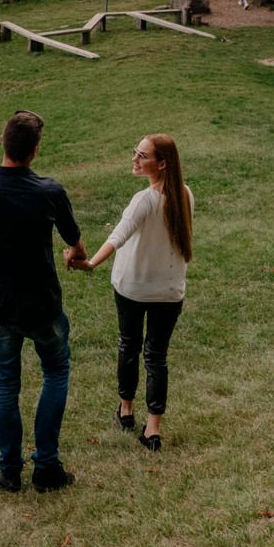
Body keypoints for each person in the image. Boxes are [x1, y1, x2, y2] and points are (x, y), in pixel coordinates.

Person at [0, 110, 86, 492]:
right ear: (35, 151)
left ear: (3, 142)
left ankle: (10, 469)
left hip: (0, 306)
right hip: (43, 304)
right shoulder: (49, 191)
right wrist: (77, 255)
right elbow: (73, 240)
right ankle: (47, 466)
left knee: (6, 384)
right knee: (56, 372)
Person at [73, 134, 193, 452]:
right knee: (156, 357)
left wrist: (90, 264)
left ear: (162, 163)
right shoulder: (185, 194)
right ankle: (152, 430)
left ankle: (125, 409)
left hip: (133, 289)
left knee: (129, 345)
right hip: (170, 291)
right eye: (135, 153)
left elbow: (119, 234)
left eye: (142, 155)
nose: (135, 159)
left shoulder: (145, 199)